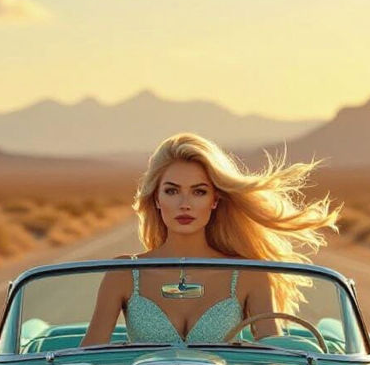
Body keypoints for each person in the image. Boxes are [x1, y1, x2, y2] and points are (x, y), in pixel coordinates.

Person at [81, 133, 340, 346]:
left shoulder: (250, 273)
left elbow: (275, 363)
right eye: (172, 191)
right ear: (156, 199)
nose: (185, 204)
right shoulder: (124, 273)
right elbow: (88, 359)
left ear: (215, 200)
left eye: (199, 192)